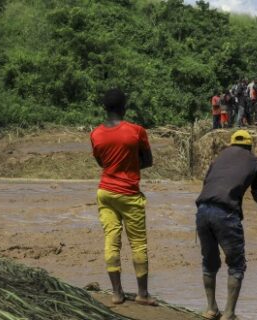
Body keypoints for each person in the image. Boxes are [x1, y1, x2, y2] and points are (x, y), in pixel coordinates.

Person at [195, 130, 257, 320]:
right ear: (250, 146)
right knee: (237, 265)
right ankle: (229, 313)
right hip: (225, 213)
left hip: (203, 210)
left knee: (209, 262)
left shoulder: (219, 158)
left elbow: (207, 184)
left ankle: (211, 309)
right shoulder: (255, 163)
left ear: (231, 144)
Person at [90, 89, 157, 306]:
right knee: (138, 244)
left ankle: (117, 293)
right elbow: (148, 161)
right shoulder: (137, 131)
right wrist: (130, 163)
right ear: (124, 108)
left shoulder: (96, 134)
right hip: (128, 193)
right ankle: (142, 294)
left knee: (112, 240)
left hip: (105, 192)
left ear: (105, 108)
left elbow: (102, 163)